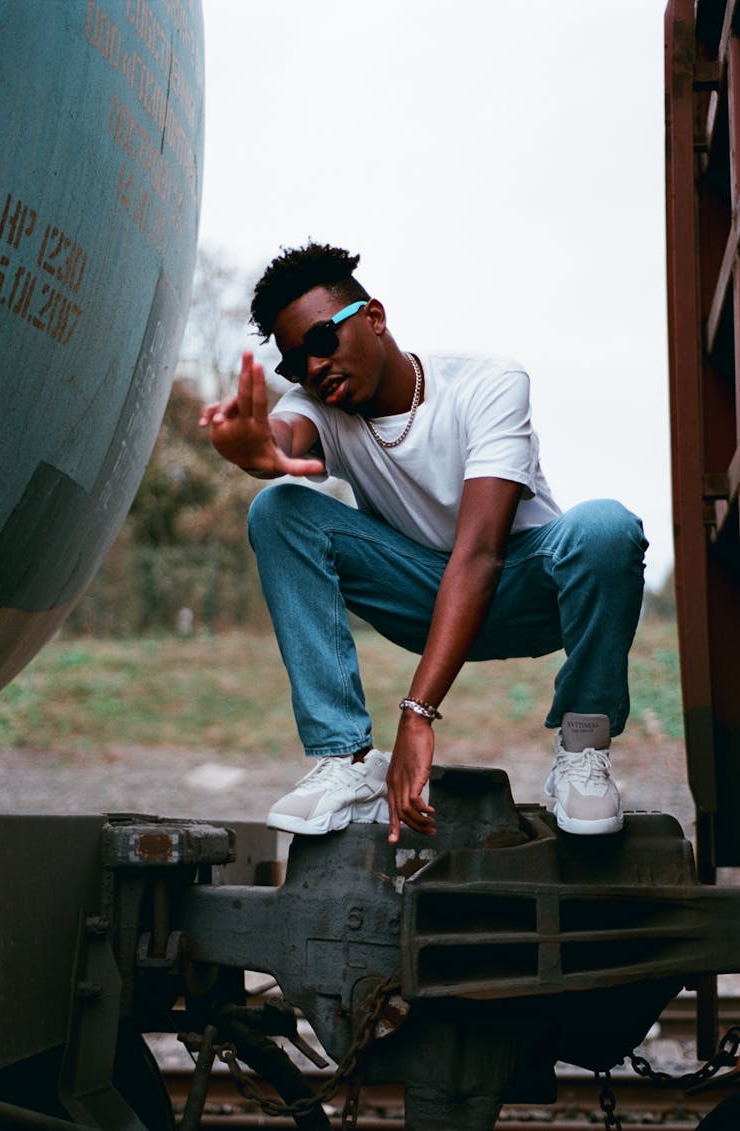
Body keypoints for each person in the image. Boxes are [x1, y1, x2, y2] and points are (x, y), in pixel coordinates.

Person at [199, 242, 648, 845]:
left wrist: (417, 713)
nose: (312, 368)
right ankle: (348, 761)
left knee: (606, 529)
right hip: (421, 598)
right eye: (294, 363)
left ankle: (583, 751)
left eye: (321, 342)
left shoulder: (486, 382)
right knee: (279, 509)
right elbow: (285, 436)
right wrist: (256, 453)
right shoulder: (320, 404)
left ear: (374, 317)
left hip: (530, 590)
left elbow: (482, 553)